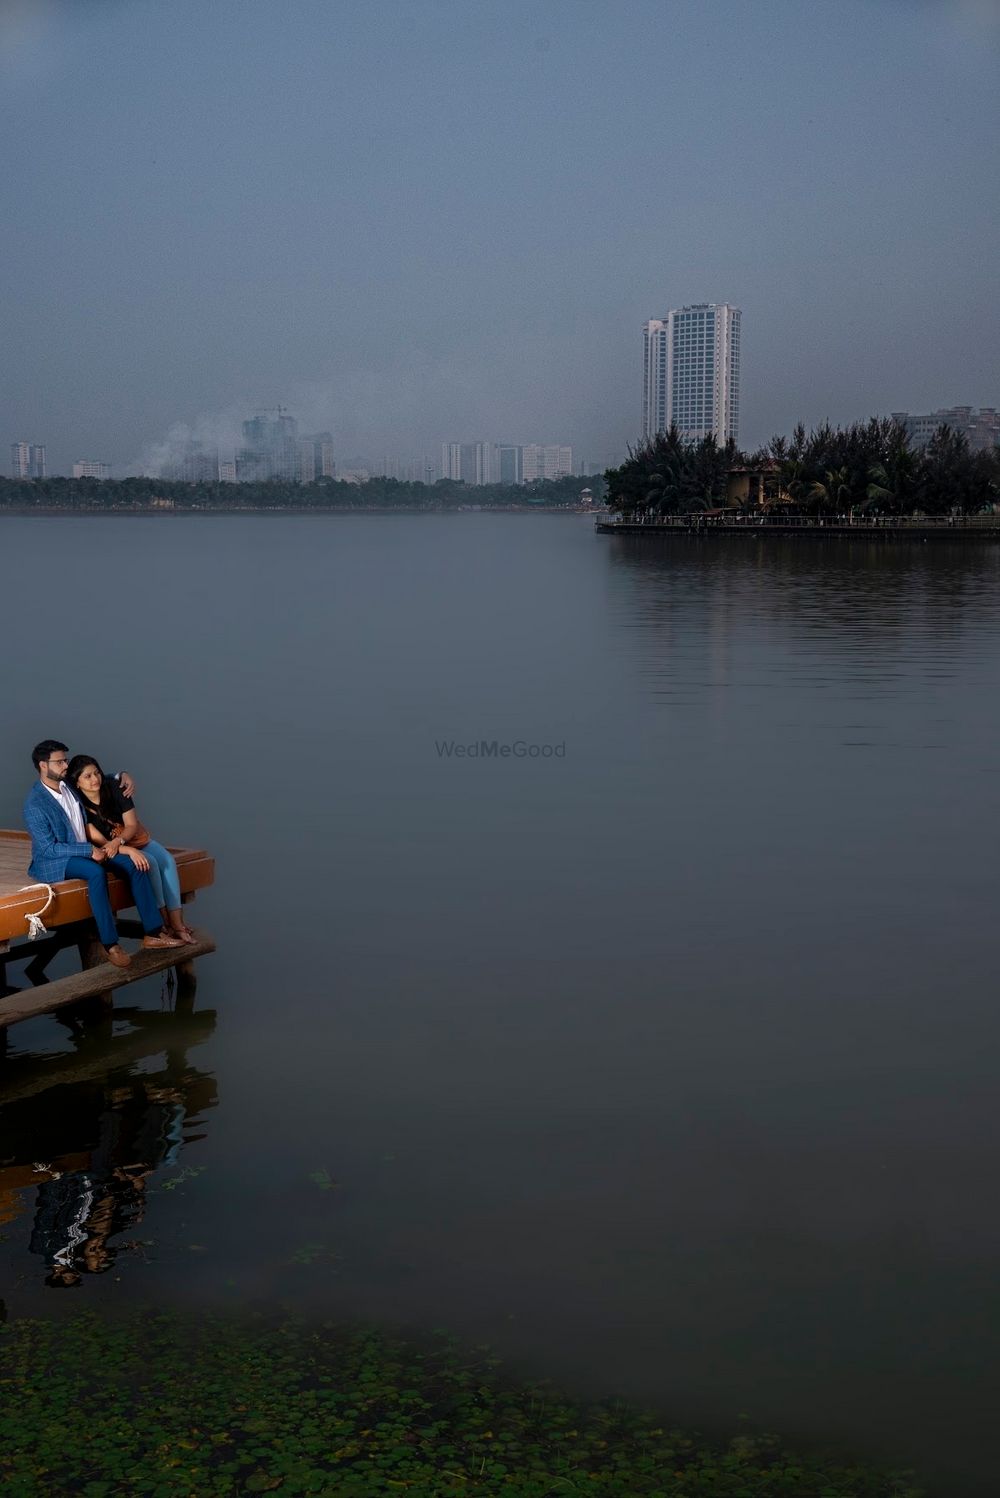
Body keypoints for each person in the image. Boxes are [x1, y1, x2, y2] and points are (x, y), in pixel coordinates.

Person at [22, 740, 184, 969]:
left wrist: (121, 775)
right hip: (58, 860)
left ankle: (153, 933)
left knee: (136, 864)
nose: (65, 765)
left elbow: (92, 778)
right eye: (59, 761)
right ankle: (111, 944)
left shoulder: (67, 783)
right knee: (95, 872)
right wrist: (89, 850)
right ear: (43, 766)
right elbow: (49, 848)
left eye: (65, 760)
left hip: (91, 848)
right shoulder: (34, 804)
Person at [66, 754, 195, 944]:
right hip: (110, 848)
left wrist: (119, 842)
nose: (95, 779)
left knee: (167, 860)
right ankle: (163, 924)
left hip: (133, 838)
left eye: (97, 773)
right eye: (87, 776)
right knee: (147, 863)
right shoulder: (79, 807)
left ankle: (177, 924)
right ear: (76, 782)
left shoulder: (114, 788)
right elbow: (101, 843)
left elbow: (131, 825)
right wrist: (125, 850)